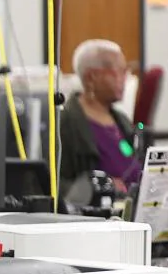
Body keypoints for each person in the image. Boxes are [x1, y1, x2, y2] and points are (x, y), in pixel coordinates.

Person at [60, 39, 141, 199]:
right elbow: (56, 184)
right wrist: (101, 187)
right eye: (119, 71)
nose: (125, 78)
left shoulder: (121, 120)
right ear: (91, 77)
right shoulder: (67, 123)